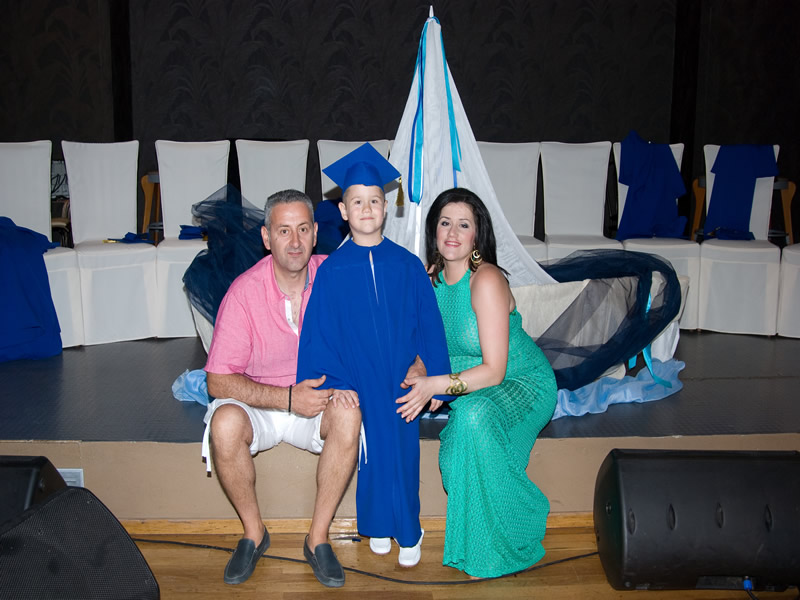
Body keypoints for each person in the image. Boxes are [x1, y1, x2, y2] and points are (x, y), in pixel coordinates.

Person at [296, 143, 452, 568]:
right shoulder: (332, 270)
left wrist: (433, 377)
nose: (366, 209)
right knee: (370, 455)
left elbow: (429, 325)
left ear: (386, 207)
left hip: (401, 379)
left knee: (402, 455)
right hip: (359, 378)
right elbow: (319, 335)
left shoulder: (408, 265)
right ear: (343, 211)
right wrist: (335, 385)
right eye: (357, 202)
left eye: (375, 201)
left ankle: (410, 529)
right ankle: (379, 525)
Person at [201, 189, 361, 589]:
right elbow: (217, 380)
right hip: (264, 402)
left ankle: (318, 538)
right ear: (266, 237)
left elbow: (373, 332)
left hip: (319, 398)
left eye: (303, 229)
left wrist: (411, 361)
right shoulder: (243, 293)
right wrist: (287, 398)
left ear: (315, 233)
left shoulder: (336, 278)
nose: (294, 241)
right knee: (224, 423)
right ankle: (254, 533)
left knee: (349, 413)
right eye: (284, 230)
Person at [396, 187, 558, 578]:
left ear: (477, 235)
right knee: (466, 422)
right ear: (434, 231)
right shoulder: (428, 280)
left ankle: (520, 523)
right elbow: (426, 342)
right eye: (445, 223)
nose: (452, 233)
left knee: (472, 420)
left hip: (522, 383)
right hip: (473, 387)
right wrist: (420, 367)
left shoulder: (485, 280)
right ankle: (481, 543)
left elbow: (495, 371)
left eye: (463, 225)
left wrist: (436, 385)